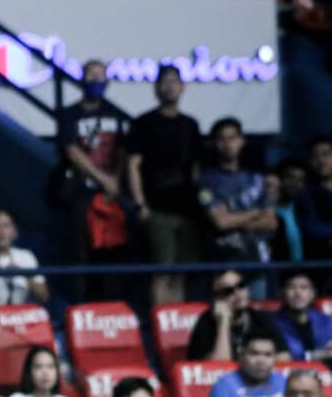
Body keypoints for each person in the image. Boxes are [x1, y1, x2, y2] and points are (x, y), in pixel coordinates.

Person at [127, 64, 203, 306]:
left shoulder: (190, 124)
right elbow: (133, 165)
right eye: (164, 82)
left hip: (187, 210)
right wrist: (141, 204)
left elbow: (196, 169)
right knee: (162, 270)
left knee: (180, 272)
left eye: (174, 81)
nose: (169, 87)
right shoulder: (144, 124)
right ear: (156, 88)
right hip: (157, 209)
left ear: (182, 88)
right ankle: (162, 325)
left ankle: (177, 328)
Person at [58, 59, 128, 294]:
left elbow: (122, 151)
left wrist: (115, 181)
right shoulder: (70, 114)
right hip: (81, 194)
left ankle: (110, 310)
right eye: (91, 75)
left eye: (100, 76)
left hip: (111, 197)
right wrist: (103, 178)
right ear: (81, 79)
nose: (96, 81)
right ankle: (80, 309)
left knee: (111, 251)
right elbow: (72, 150)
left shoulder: (115, 113)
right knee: (80, 253)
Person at [197, 117, 275, 271]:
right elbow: (221, 223)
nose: (227, 144)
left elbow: (271, 222)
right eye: (221, 139)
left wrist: (234, 220)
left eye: (232, 138)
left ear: (241, 141)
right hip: (224, 260)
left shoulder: (256, 179)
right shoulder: (207, 181)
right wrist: (256, 213)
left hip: (258, 258)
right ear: (215, 144)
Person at [186, 269, 287, 361]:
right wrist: (223, 323)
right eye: (228, 291)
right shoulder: (205, 323)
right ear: (217, 299)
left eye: (241, 285)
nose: (238, 293)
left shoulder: (261, 317)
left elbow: (284, 357)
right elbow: (219, 367)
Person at [274, 272, 332, 362]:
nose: (298, 293)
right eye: (291, 287)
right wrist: (313, 355)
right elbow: (281, 357)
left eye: (304, 288)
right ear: (283, 293)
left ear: (313, 294)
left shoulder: (326, 321)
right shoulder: (272, 324)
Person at [297, 135, 332, 260]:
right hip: (321, 264)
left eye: (326, 155)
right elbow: (311, 228)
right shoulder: (305, 194)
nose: (321, 161)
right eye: (315, 156)